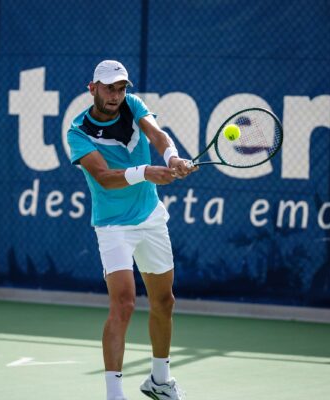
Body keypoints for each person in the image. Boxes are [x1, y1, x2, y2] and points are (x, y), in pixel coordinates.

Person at [67, 60, 196, 400]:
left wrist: (172, 158)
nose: (116, 95)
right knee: (123, 304)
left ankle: (159, 379)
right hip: (113, 226)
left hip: (150, 217)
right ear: (92, 88)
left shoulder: (133, 105)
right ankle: (114, 394)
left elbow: (157, 134)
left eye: (122, 87)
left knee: (164, 300)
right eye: (109, 88)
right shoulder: (77, 131)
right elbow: (106, 179)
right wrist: (146, 171)